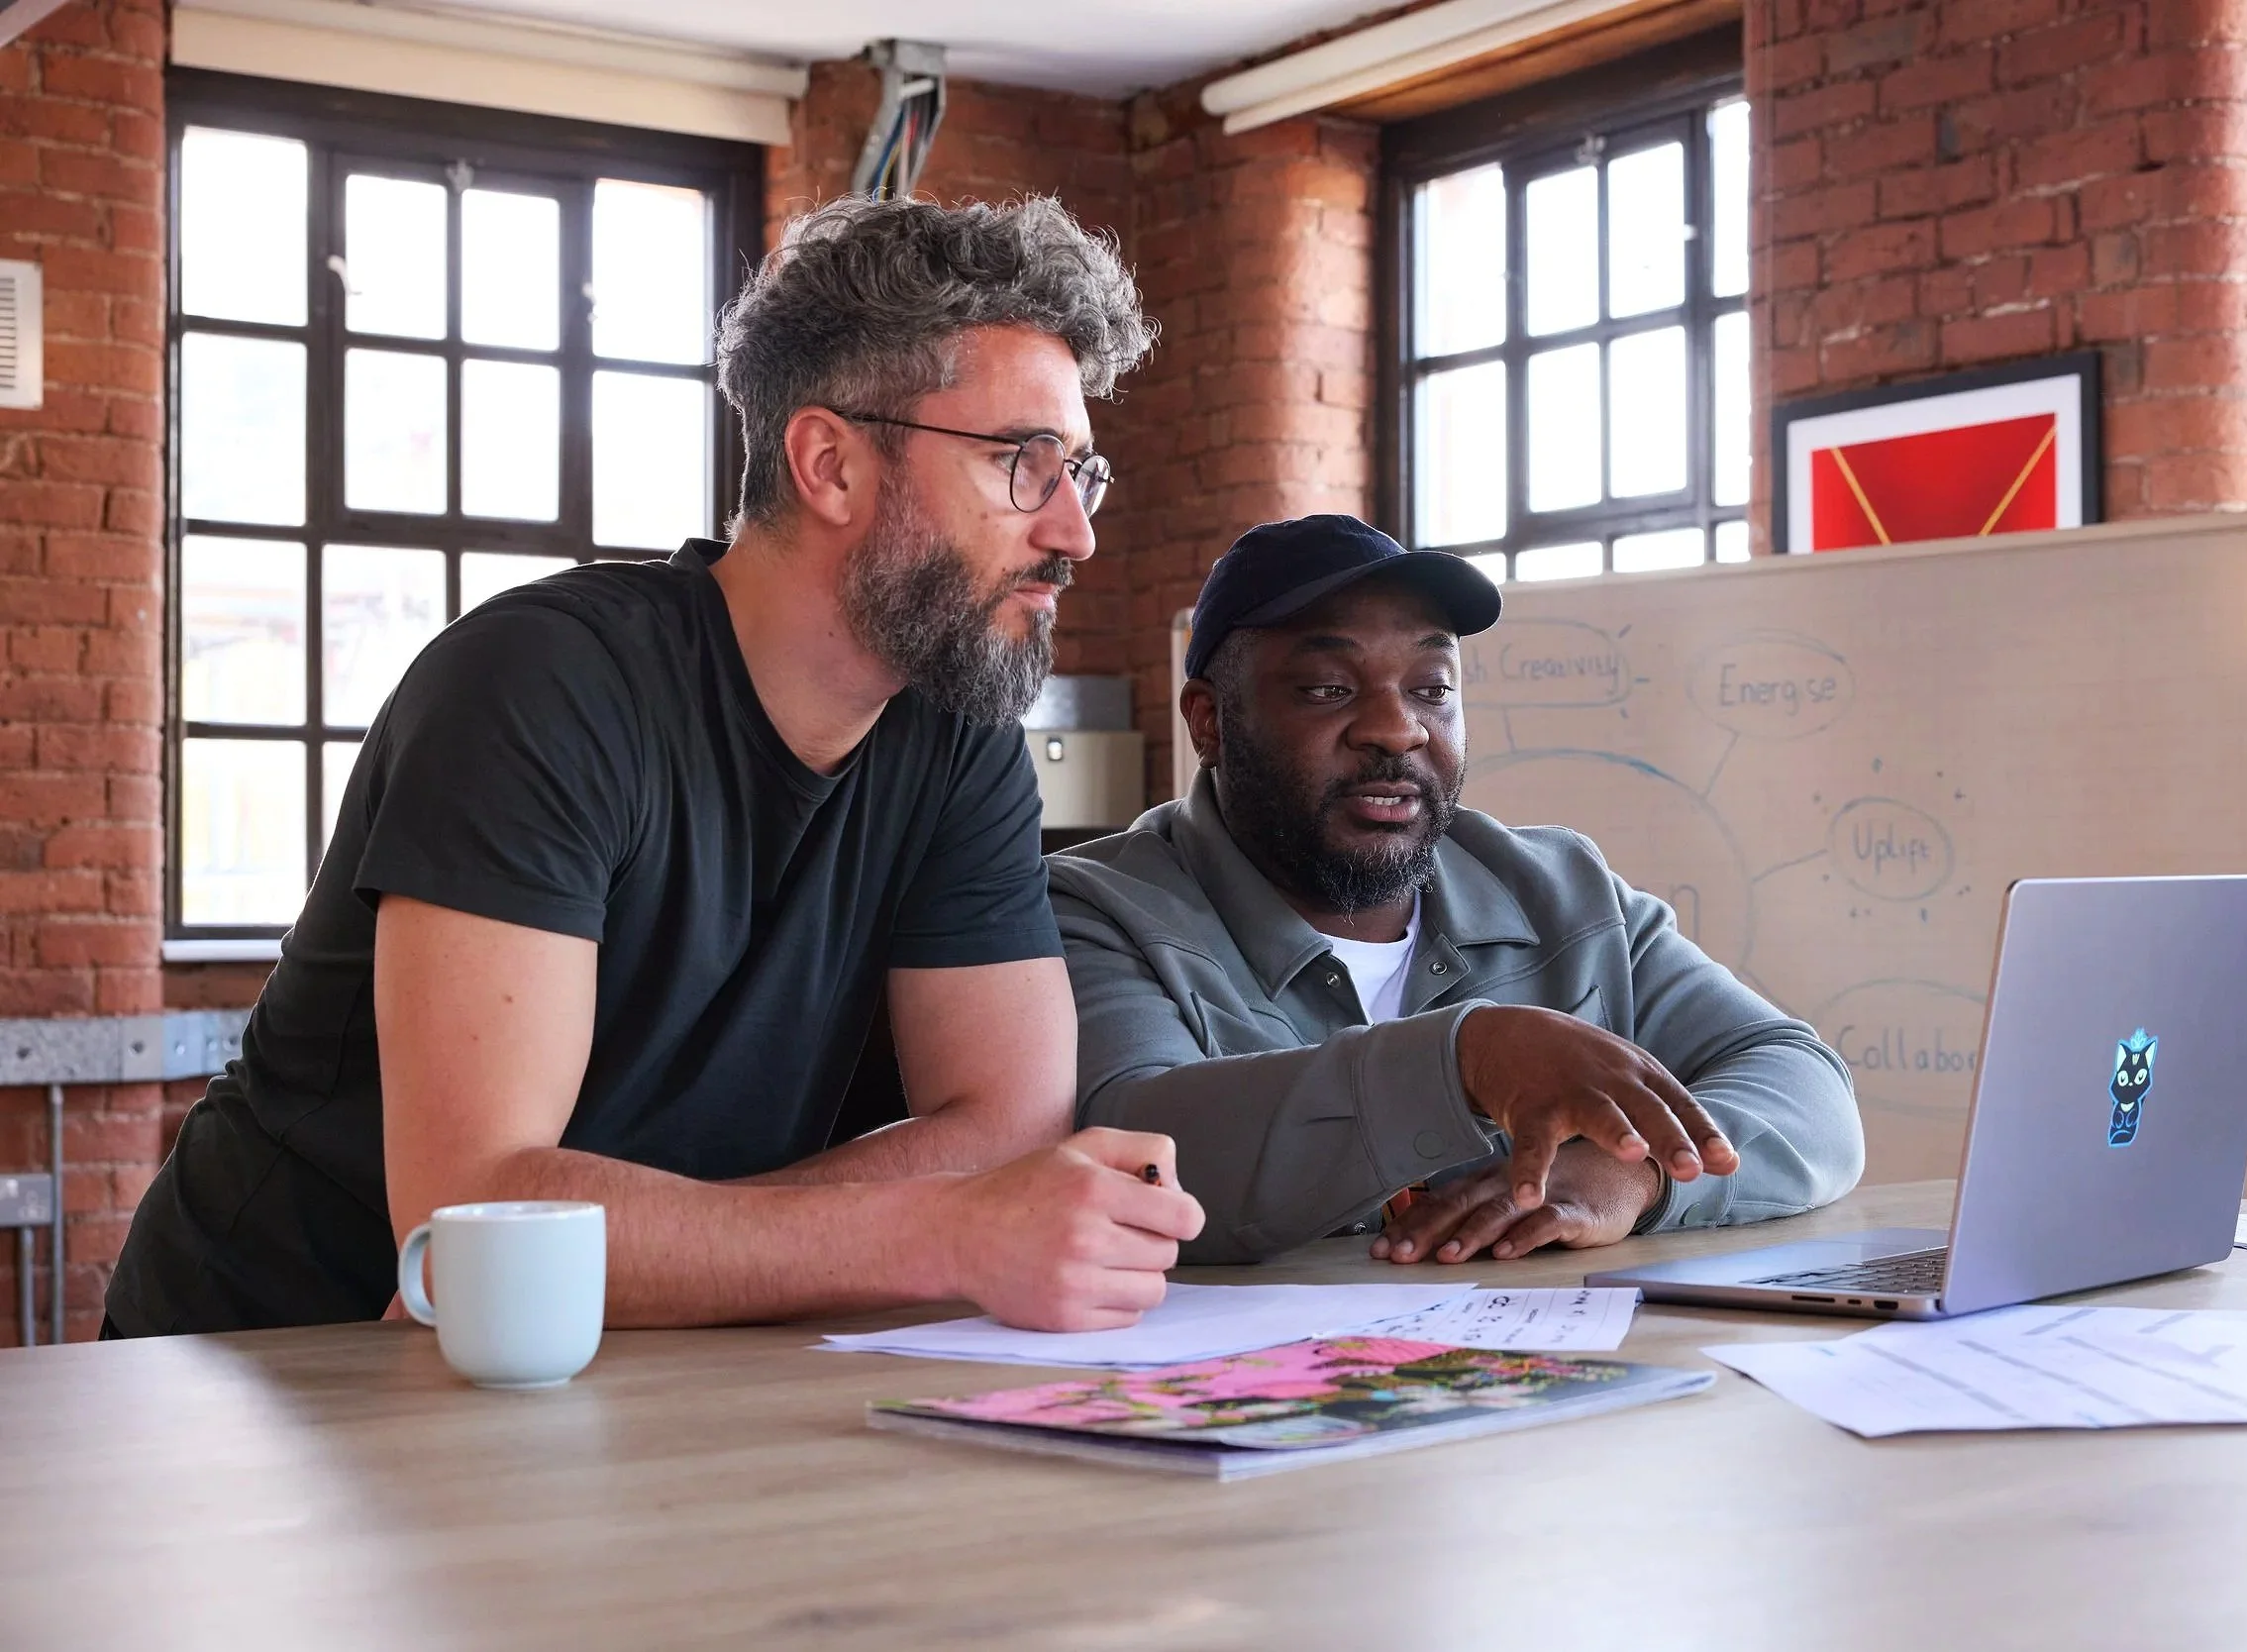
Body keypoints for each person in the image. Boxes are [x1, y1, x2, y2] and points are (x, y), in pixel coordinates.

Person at [108, 196, 1203, 1338]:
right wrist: (943, 1232)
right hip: (281, 1366)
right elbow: (469, 1225)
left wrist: (672, 1251)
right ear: (829, 464)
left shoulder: (956, 732)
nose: (1074, 530)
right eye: (1022, 463)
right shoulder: (540, 686)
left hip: (628, 1365)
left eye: (1081, 468)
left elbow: (1011, 1131)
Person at [1049, 515, 1864, 1266]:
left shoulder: (1567, 895)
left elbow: (1801, 1082)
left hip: (1556, 1395)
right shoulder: (1093, 911)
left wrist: (1636, 1178)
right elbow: (1135, 1151)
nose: (1397, 729)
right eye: (1329, 689)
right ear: (1209, 723)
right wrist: (1463, 1060)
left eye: (1431, 688)